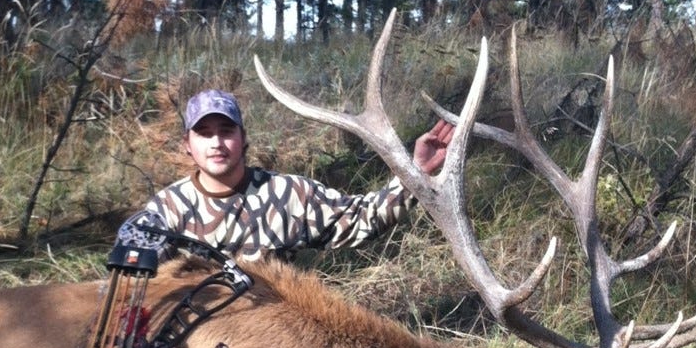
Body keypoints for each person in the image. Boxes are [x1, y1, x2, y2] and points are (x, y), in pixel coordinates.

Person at [130, 88, 454, 261]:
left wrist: (416, 173)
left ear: (243, 138)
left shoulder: (287, 195)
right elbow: (134, 280)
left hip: (275, 341)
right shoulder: (167, 208)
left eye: (226, 131)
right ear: (188, 144)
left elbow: (360, 220)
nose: (216, 142)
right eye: (204, 133)